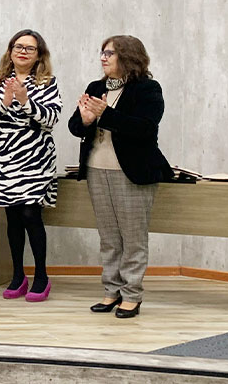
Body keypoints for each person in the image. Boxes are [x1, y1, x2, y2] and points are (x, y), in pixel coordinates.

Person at [68, 35, 172, 319]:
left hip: (132, 173)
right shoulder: (95, 87)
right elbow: (76, 125)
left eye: (109, 53)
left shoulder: (147, 89)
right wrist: (86, 120)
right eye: (102, 52)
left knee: (133, 237)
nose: (103, 57)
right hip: (96, 170)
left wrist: (106, 115)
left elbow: (145, 129)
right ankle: (111, 290)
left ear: (128, 57)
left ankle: (132, 295)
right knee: (109, 237)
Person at [0, 29, 62, 302]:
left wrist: (25, 101)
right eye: (18, 46)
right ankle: (17, 275)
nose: (23, 51)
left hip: (35, 159)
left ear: (39, 55)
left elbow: (51, 119)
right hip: (3, 159)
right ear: (10, 51)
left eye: (30, 48)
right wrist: (4, 102)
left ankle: (41, 276)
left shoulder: (47, 82)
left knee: (30, 215)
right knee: (12, 217)